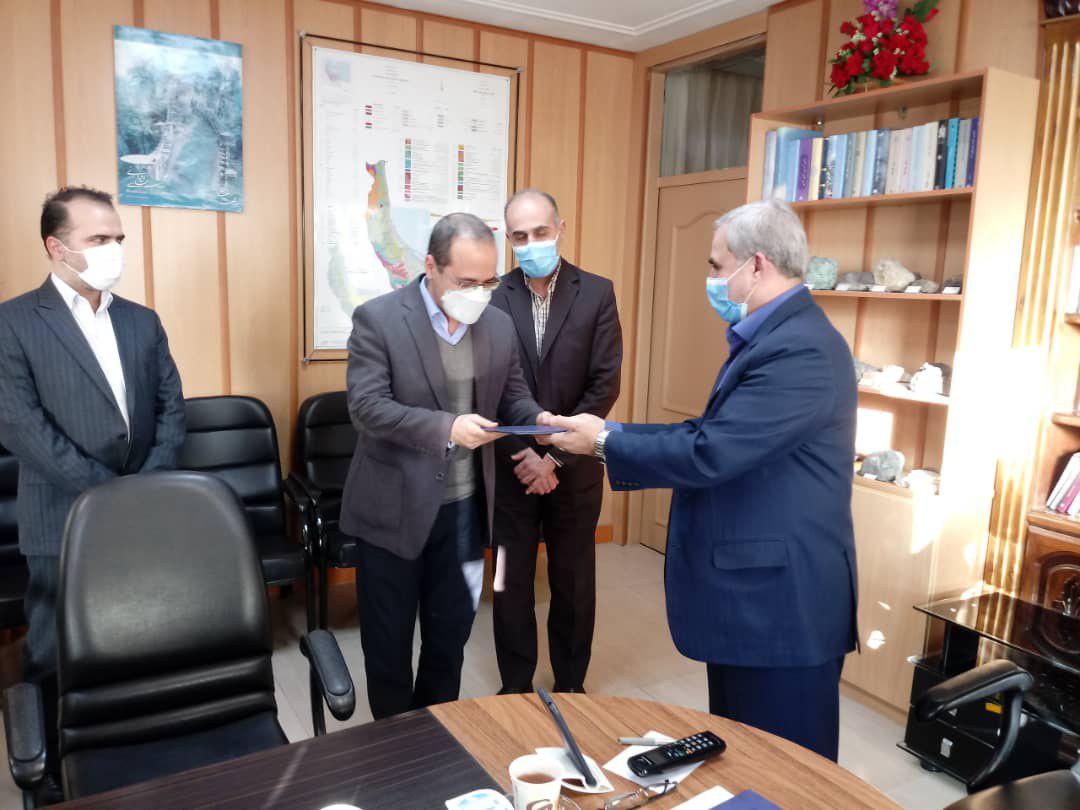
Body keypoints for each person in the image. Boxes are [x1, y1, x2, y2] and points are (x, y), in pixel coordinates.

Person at [539, 199, 858, 761]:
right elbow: (713, 433)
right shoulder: (772, 335)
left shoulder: (800, 349)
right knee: (741, 758)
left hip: (781, 608)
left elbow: (712, 451)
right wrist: (609, 432)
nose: (710, 278)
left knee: (784, 771)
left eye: (716, 266)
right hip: (753, 598)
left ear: (756, 265)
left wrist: (604, 441)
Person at [0, 186, 185, 797]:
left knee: (137, 640)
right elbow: (22, 428)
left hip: (143, 512)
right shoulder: (13, 322)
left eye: (118, 238)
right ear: (57, 247)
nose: (114, 249)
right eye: (98, 239)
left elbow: (172, 409)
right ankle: (50, 775)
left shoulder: (141, 320)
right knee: (54, 650)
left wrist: (143, 488)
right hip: (61, 518)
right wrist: (108, 497)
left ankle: (130, 752)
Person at [340, 212, 547, 720]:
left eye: (489, 281)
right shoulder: (379, 319)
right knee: (388, 644)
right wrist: (447, 428)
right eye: (466, 282)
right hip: (393, 512)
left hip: (465, 513)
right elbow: (367, 408)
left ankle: (436, 734)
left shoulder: (497, 324)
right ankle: (394, 741)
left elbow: (513, 396)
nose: (479, 294)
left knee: (449, 638)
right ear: (431, 266)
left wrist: (541, 420)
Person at [489, 189, 621, 695]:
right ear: (508, 238)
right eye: (520, 236)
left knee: (573, 582)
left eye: (540, 232)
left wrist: (555, 457)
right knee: (508, 581)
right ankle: (515, 686)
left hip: (575, 467)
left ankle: (570, 684)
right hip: (512, 468)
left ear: (560, 228)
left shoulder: (597, 293)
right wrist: (525, 454)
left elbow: (604, 385)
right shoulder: (493, 296)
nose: (531, 243)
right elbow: (489, 386)